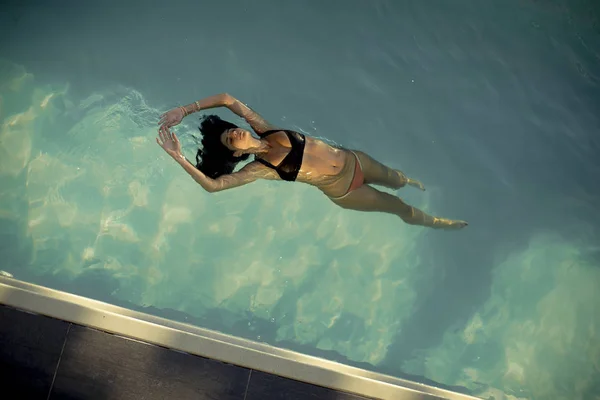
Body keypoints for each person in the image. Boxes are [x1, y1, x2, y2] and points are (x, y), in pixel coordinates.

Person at [156, 93, 467, 230]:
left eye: (231, 130)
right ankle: (435, 223)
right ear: (237, 154)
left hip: (356, 160)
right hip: (346, 190)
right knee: (397, 207)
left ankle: (410, 182)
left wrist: (185, 110)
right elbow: (214, 185)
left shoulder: (266, 128)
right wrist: (179, 157)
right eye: (230, 139)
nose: (234, 132)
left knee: (397, 179)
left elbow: (227, 98)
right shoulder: (261, 169)